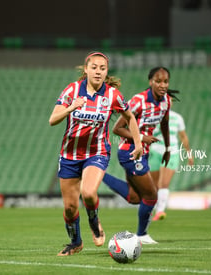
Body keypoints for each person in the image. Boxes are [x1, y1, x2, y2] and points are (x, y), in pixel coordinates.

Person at [49, 51, 143, 256]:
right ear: (86, 69)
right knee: (70, 209)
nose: (98, 72)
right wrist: (71, 107)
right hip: (69, 156)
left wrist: (138, 143)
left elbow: (130, 117)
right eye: (94, 67)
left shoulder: (113, 95)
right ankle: (76, 243)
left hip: (97, 152)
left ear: (106, 71)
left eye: (102, 68)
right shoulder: (72, 90)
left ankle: (94, 219)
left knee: (89, 192)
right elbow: (53, 119)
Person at [102, 67, 178, 244]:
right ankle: (142, 235)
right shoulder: (138, 101)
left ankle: (98, 176)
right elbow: (117, 128)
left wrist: (168, 148)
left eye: (165, 81)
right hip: (130, 151)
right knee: (151, 196)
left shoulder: (166, 101)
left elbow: (165, 123)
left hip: (143, 153)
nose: (162, 85)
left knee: (135, 197)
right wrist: (142, 137)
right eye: (158, 81)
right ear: (150, 82)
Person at [149, 110, 193, 221]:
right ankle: (150, 210)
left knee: (163, 183)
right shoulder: (152, 115)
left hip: (171, 152)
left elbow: (183, 136)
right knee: (154, 185)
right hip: (155, 152)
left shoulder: (177, 117)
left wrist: (189, 154)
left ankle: (160, 211)